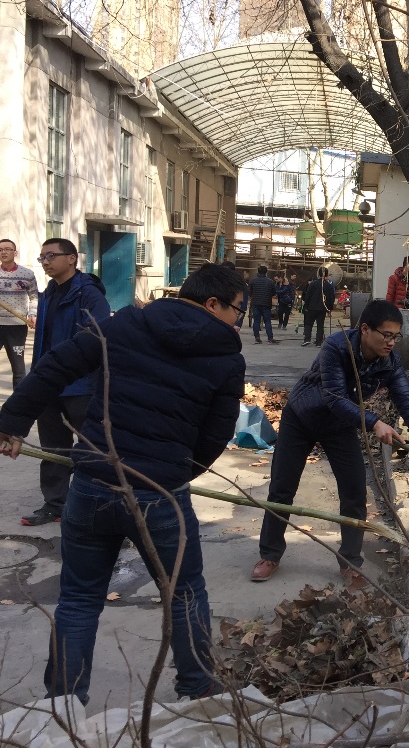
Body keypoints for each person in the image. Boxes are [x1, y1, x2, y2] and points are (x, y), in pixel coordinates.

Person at [0, 263, 246, 704]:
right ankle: (198, 687)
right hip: (161, 494)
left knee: (78, 599)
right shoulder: (227, 357)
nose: (238, 320)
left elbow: (57, 365)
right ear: (213, 304)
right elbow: (216, 434)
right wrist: (175, 474)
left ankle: (63, 704)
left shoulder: (128, 322)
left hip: (93, 482)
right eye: (237, 310)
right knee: (184, 594)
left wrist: (11, 422)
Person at [250, 299, 409, 587]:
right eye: (386, 335)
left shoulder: (390, 363)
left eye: (396, 336)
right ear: (365, 329)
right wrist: (375, 423)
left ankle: (351, 561)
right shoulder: (336, 347)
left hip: (340, 425)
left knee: (354, 492)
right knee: (282, 488)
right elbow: (335, 398)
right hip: (302, 417)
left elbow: (407, 401)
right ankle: (269, 555)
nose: (391, 343)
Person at [22, 238, 110, 526]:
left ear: (72, 258)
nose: (46, 262)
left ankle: (96, 505)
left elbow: (96, 338)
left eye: (51, 256)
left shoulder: (88, 293)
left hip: (81, 385)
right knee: (53, 448)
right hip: (50, 384)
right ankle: (55, 504)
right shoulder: (49, 293)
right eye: (42, 257)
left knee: (92, 448)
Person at [0, 239, 38, 390]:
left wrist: (32, 314)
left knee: (18, 369)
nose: (3, 252)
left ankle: (19, 401)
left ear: (15, 253)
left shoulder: (27, 274)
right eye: (0, 250)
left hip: (17, 325)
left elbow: (34, 297)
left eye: (7, 249)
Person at [301, 267, 335, 347]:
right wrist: (329, 308)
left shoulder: (313, 284)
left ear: (318, 274)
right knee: (320, 325)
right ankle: (318, 342)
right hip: (322, 308)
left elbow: (308, 295)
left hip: (312, 307)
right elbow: (331, 298)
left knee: (309, 324)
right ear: (327, 274)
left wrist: (306, 306)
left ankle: (307, 339)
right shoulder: (329, 285)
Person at [248, 265, 277, 344]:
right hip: (266, 304)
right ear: (266, 272)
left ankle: (257, 337)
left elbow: (249, 292)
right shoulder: (270, 282)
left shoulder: (253, 281)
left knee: (256, 321)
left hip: (255, 304)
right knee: (267, 321)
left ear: (258, 272)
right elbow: (274, 292)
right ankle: (270, 338)